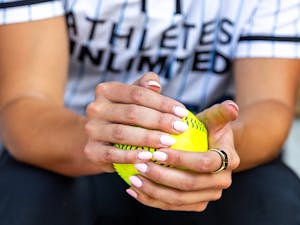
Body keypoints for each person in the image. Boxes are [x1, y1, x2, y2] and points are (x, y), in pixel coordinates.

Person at [0, 0, 300, 224]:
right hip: (73, 142)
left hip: (222, 155)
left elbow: (269, 105)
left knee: (278, 206)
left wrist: (219, 151)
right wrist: (107, 139)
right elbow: (25, 104)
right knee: (21, 201)